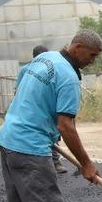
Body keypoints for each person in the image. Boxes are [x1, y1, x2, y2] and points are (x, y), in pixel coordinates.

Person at [0, 29, 102, 202]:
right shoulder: (68, 77)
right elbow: (66, 125)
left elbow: (23, 89)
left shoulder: (44, 59)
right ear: (77, 47)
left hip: (8, 140)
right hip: (30, 148)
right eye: (92, 55)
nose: (92, 61)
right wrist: (86, 163)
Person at [21, 44, 69, 174]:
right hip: (31, 110)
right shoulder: (26, 70)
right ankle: (43, 163)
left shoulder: (53, 69)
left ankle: (55, 161)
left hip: (47, 109)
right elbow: (20, 90)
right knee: (37, 138)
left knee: (52, 135)